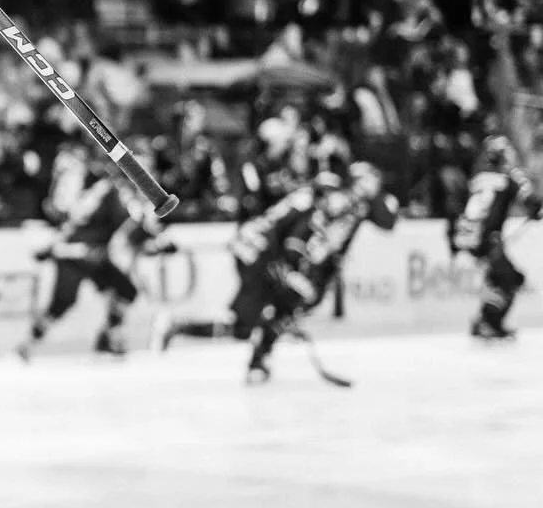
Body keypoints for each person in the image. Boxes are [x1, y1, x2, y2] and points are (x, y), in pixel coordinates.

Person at [157, 162, 397, 383]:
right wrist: (291, 268)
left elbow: (386, 220)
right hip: (261, 252)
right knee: (255, 320)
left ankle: (257, 357)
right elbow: (296, 237)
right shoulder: (324, 200)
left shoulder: (348, 203)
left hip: (265, 251)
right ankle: (241, 352)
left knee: (273, 313)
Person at [17, 142, 175, 361]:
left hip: (73, 251)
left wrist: (55, 247)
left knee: (64, 303)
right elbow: (133, 223)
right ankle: (111, 339)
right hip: (85, 252)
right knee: (124, 291)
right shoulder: (117, 191)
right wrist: (157, 240)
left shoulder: (104, 187)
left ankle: (28, 345)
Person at [449, 135, 543, 340]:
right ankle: (488, 322)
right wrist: (536, 210)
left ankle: (486, 322)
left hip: (468, 235)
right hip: (488, 238)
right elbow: (530, 200)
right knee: (510, 279)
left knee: (498, 279)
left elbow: (459, 205)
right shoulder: (508, 176)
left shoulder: (477, 177)